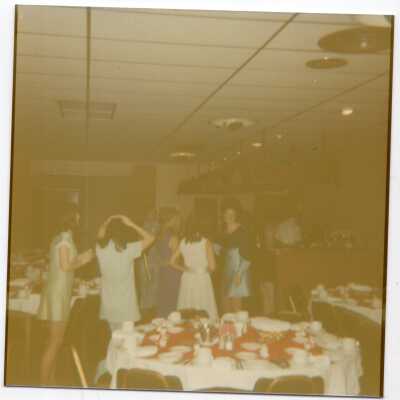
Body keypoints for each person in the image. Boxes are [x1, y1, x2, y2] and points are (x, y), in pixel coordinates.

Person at [37, 202, 94, 386]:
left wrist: (83, 257)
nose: (79, 218)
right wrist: (84, 260)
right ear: (71, 217)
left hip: (58, 291)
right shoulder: (64, 240)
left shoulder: (61, 237)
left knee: (54, 341)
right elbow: (65, 266)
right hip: (58, 294)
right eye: (77, 215)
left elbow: (65, 263)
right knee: (55, 341)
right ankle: (43, 385)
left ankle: (50, 381)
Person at [95, 215, 155, 331]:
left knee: (114, 338)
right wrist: (132, 224)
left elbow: (100, 235)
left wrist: (106, 222)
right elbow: (151, 238)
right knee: (127, 339)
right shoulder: (128, 249)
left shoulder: (100, 248)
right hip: (126, 306)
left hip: (109, 306)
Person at [170, 213, 218, 320]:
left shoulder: (183, 242)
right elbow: (213, 267)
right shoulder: (206, 242)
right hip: (202, 278)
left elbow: (172, 262)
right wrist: (204, 270)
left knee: (188, 304)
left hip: (187, 277)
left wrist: (186, 269)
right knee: (203, 305)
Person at [216, 198, 253, 313]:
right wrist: (214, 247)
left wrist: (239, 274)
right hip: (226, 270)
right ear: (223, 215)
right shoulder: (223, 231)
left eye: (232, 214)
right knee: (225, 305)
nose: (229, 216)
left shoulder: (242, 231)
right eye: (227, 213)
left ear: (236, 215)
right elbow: (221, 250)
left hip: (238, 270)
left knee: (236, 308)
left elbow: (247, 256)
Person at [157, 207, 182, 318]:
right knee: (173, 301)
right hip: (173, 271)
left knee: (164, 301)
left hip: (163, 271)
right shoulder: (173, 236)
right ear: (172, 220)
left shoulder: (159, 235)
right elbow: (176, 259)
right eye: (177, 219)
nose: (179, 222)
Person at [137, 209, 161, 321]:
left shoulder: (154, 226)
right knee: (146, 287)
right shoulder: (145, 227)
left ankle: (150, 312)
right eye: (151, 213)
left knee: (152, 287)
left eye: (154, 214)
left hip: (153, 260)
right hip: (145, 260)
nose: (153, 215)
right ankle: (145, 312)